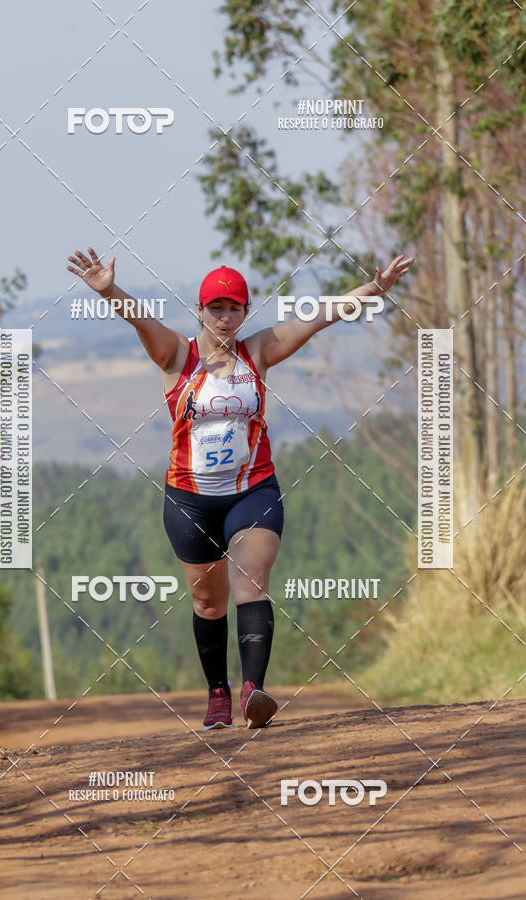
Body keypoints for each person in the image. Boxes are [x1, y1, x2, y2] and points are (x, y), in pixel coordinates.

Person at [66, 248, 414, 730]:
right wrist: (109, 291)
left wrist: (374, 289)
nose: (225, 318)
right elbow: (141, 320)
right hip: (190, 501)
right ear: (200, 310)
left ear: (245, 312)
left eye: (234, 308)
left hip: (253, 490)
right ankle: (218, 694)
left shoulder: (259, 351)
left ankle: (254, 690)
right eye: (216, 308)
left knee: (251, 580)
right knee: (208, 603)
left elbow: (317, 318)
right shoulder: (177, 355)